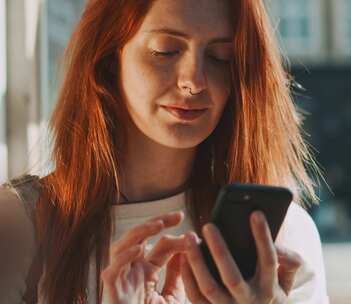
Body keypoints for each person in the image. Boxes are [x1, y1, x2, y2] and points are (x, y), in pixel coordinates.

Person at [0, 0, 328, 303]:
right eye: (165, 51)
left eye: (220, 58)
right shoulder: (21, 224)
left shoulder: (279, 239)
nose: (193, 81)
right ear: (109, 58)